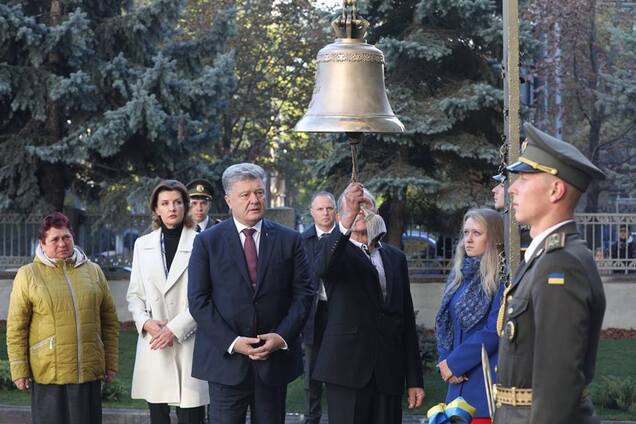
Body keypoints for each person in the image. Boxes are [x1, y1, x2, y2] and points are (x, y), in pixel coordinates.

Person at [494, 122, 606, 424]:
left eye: (525, 178)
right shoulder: (547, 257)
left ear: (556, 190)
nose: (513, 188)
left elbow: (558, 382)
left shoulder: (560, 263)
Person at [188, 163, 313, 424]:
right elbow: (199, 301)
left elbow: (303, 295)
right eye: (245, 194)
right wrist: (233, 342)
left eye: (259, 192)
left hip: (273, 363)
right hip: (226, 362)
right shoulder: (207, 242)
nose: (254, 200)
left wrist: (280, 337)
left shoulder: (289, 240)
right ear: (229, 200)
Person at [313, 182, 425, 424]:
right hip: (347, 370)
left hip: (388, 369)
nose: (361, 211)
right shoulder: (332, 249)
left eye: (366, 207)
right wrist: (345, 223)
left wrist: (414, 379)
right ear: (342, 215)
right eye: (354, 207)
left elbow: (404, 318)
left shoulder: (395, 258)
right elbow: (324, 266)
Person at [6, 212, 119, 424]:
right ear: (42, 243)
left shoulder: (93, 271)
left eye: (66, 237)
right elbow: (16, 328)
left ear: (73, 237)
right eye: (55, 239)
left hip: (87, 371)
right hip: (49, 373)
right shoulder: (28, 274)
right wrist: (19, 369)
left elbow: (110, 321)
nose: (62, 243)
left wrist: (110, 363)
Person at [127, 180, 208, 424]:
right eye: (165, 203)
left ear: (185, 207)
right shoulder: (143, 245)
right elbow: (135, 294)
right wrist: (145, 322)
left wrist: (175, 329)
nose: (172, 208)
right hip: (155, 341)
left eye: (177, 202)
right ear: (156, 209)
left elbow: (206, 294)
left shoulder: (202, 242)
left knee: (192, 414)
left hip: (190, 339)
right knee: (158, 414)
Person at [435, 208, 505, 423]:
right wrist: (445, 361)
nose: (469, 239)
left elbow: (494, 330)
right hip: (455, 384)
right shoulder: (459, 276)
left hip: (482, 383)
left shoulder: (501, 279)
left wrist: (455, 363)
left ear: (493, 237)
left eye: (477, 233)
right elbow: (445, 324)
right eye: (466, 233)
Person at [301, 191, 337, 424]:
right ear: (311, 212)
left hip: (339, 313)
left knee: (338, 371)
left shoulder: (345, 238)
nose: (325, 213)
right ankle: (311, 418)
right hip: (312, 314)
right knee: (311, 374)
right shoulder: (301, 241)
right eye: (320, 209)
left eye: (329, 208)